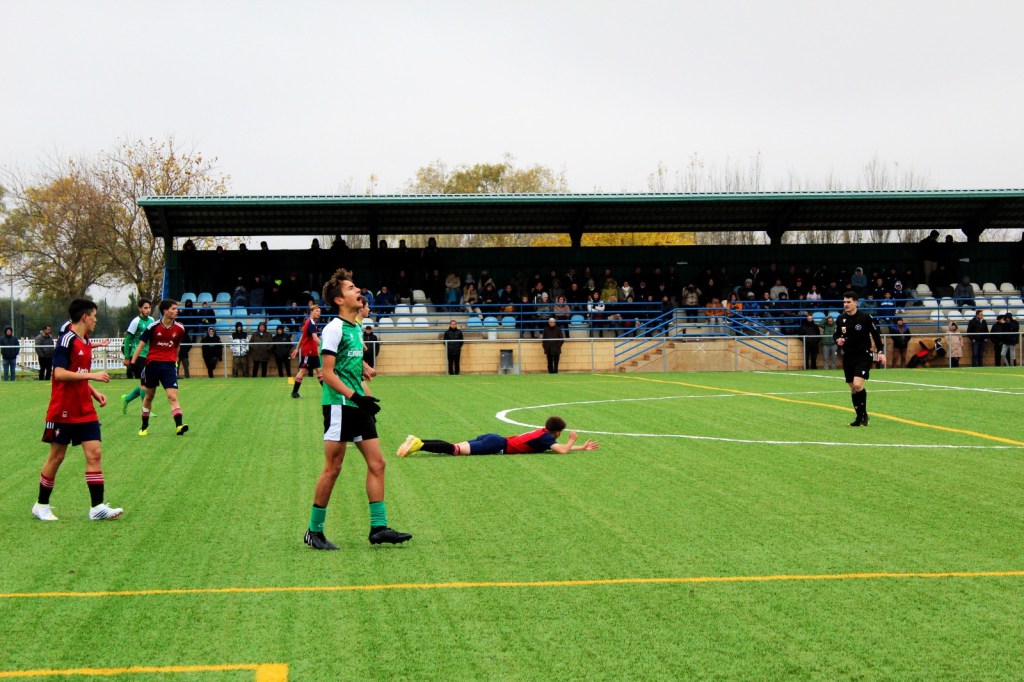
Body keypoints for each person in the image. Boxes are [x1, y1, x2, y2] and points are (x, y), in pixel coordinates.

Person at [303, 268, 411, 551]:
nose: (357, 290)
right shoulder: (334, 328)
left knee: (378, 463)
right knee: (333, 467)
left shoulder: (355, 328)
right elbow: (327, 373)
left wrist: (364, 371)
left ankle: (378, 528)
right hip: (339, 405)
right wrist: (356, 396)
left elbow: (346, 360)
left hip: (358, 403)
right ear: (339, 300)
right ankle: (314, 531)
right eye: (351, 288)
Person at [32, 298, 123, 522]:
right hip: (63, 409)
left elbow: (78, 373)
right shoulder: (67, 340)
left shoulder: (85, 341)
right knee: (57, 457)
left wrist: (93, 392)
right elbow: (59, 373)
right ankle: (41, 505)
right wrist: (93, 376)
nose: (95, 320)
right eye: (94, 316)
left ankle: (97, 507)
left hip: (85, 409)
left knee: (95, 453)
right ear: (85, 317)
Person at [397, 415, 599, 457]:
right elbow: (561, 450)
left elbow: (558, 448)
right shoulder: (547, 438)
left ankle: (416, 440)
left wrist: (581, 447)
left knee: (453, 446)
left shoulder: (543, 434)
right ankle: (419, 444)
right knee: (455, 450)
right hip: (497, 445)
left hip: (494, 438)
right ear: (557, 432)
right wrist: (572, 440)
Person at [129, 299, 189, 437]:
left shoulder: (180, 329)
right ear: (165, 311)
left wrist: (175, 361)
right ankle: (144, 426)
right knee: (149, 396)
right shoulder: (153, 327)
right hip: (153, 365)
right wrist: (132, 363)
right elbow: (141, 345)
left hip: (169, 366)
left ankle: (179, 426)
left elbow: (177, 346)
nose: (177, 311)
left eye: (176, 308)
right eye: (173, 308)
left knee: (172, 396)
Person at [834, 291, 886, 427]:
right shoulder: (840, 318)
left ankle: (863, 416)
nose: (846, 304)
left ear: (856, 303)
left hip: (863, 356)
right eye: (844, 302)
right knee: (852, 388)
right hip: (848, 356)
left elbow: (875, 334)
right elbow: (836, 335)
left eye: (848, 302)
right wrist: (838, 340)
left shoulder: (865, 318)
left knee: (858, 385)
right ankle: (860, 416)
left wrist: (880, 351)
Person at [120, 299, 155, 413]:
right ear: (140, 309)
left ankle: (127, 399)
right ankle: (146, 410)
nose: (148, 310)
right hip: (137, 355)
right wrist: (127, 357)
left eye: (149, 308)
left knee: (145, 383)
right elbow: (127, 340)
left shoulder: (152, 320)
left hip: (148, 356)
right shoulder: (136, 321)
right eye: (145, 308)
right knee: (145, 383)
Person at [290, 304, 322, 398]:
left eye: (319, 311)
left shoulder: (310, 322)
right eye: (316, 311)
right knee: (303, 371)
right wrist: (325, 346)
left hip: (313, 351)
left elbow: (302, 337)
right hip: (308, 352)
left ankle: (327, 393)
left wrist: (297, 349)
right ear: (311, 312)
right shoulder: (311, 323)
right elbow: (315, 338)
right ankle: (294, 392)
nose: (318, 313)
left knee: (319, 371)